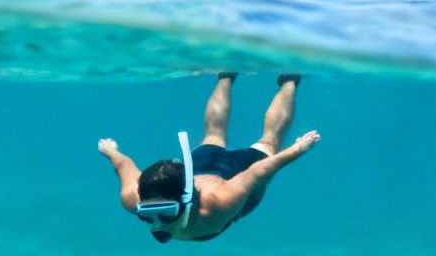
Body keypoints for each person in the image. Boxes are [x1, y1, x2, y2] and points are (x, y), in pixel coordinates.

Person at [97, 73, 320, 243]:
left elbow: (257, 172)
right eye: (146, 214)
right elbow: (123, 166)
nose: (157, 225)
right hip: (202, 170)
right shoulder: (133, 199)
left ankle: (290, 78)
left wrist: (298, 149)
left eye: (166, 212)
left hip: (234, 174)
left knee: (269, 142)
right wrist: (111, 151)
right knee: (213, 135)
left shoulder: (219, 203)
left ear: (185, 198)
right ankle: (226, 74)